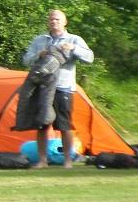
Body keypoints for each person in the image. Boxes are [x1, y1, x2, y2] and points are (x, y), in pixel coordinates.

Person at [21, 9, 94, 168]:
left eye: (57, 19)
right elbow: (26, 60)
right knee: (42, 124)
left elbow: (90, 58)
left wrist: (73, 48)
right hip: (42, 87)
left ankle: (68, 161)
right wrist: (38, 55)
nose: (54, 22)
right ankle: (42, 161)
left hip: (63, 87)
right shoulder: (39, 40)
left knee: (64, 125)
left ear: (65, 22)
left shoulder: (74, 39)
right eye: (51, 19)